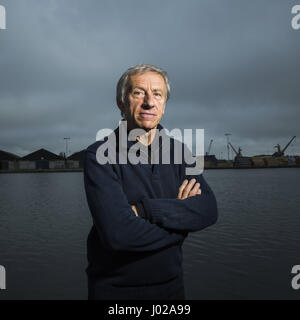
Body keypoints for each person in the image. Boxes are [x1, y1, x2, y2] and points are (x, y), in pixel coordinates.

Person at [83, 63, 218, 300]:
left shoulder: (180, 152)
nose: (149, 102)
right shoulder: (99, 154)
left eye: (157, 94)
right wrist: (182, 222)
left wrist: (145, 210)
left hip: (172, 288)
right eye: (138, 93)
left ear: (164, 104)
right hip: (115, 291)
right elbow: (119, 234)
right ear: (121, 103)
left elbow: (208, 209)